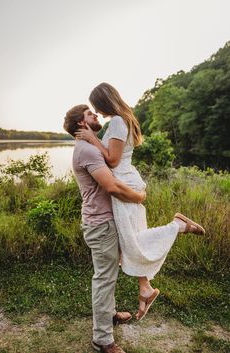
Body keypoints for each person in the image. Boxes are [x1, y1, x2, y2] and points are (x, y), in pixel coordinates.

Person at [75, 82, 206, 322]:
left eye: (98, 107)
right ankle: (145, 288)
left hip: (123, 182)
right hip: (128, 179)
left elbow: (113, 160)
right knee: (130, 238)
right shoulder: (125, 118)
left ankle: (177, 225)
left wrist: (92, 138)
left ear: (105, 101)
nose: (99, 113)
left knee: (133, 239)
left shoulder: (116, 121)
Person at [63, 104, 147, 353]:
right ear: (81, 123)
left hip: (107, 221)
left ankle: (109, 315)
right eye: (90, 114)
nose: (96, 115)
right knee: (104, 279)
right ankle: (102, 339)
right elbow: (111, 186)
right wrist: (139, 197)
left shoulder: (92, 146)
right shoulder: (87, 150)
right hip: (100, 224)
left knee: (108, 275)